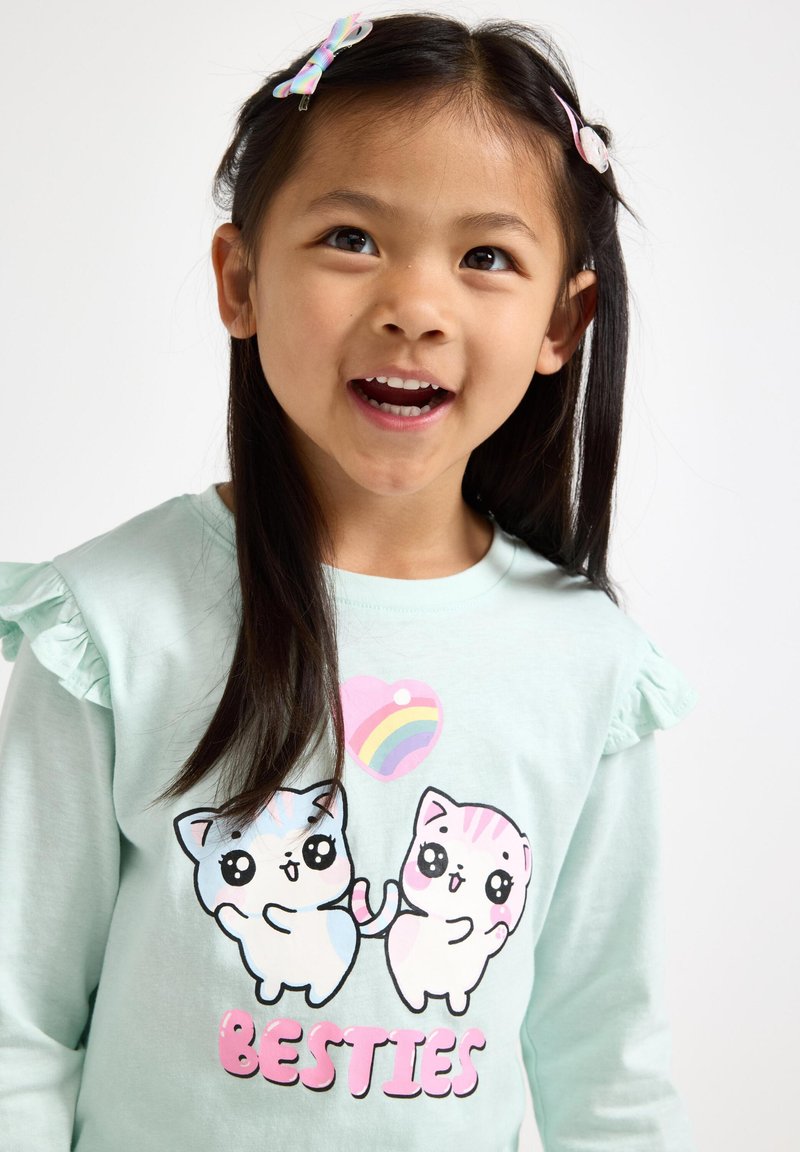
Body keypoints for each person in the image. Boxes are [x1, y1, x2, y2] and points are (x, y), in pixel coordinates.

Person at [0, 12, 699, 1151]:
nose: (414, 307)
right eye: (351, 238)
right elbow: (17, 1029)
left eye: (485, 258)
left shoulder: (584, 663)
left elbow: (607, 1063)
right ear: (240, 279)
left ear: (563, 321)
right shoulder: (113, 623)